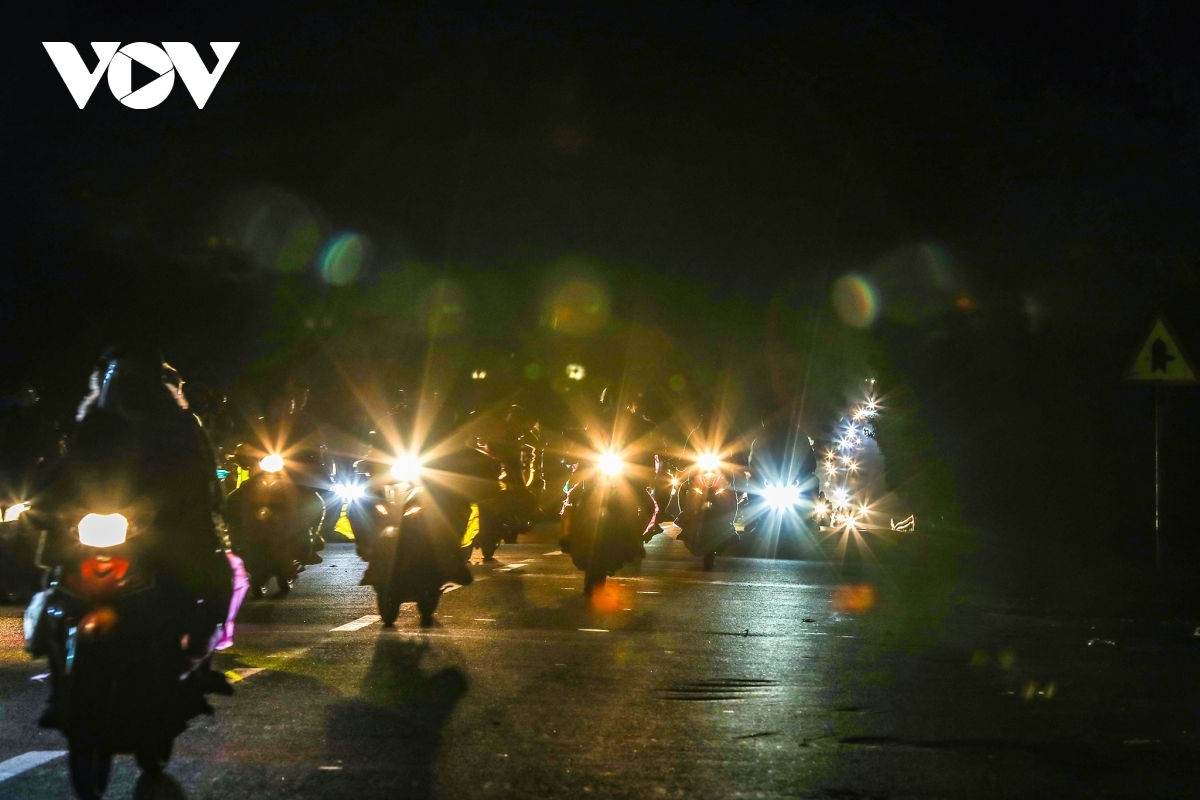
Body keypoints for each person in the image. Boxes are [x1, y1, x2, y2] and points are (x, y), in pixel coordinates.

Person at [28, 343, 236, 726]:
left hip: (160, 536)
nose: (126, 388)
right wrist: (44, 503)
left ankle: (196, 667)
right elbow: (63, 472)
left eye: (134, 380)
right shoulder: (92, 425)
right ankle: (59, 684)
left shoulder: (180, 429)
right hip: (97, 528)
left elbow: (201, 485)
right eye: (118, 379)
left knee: (210, 579)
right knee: (56, 588)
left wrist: (165, 511)